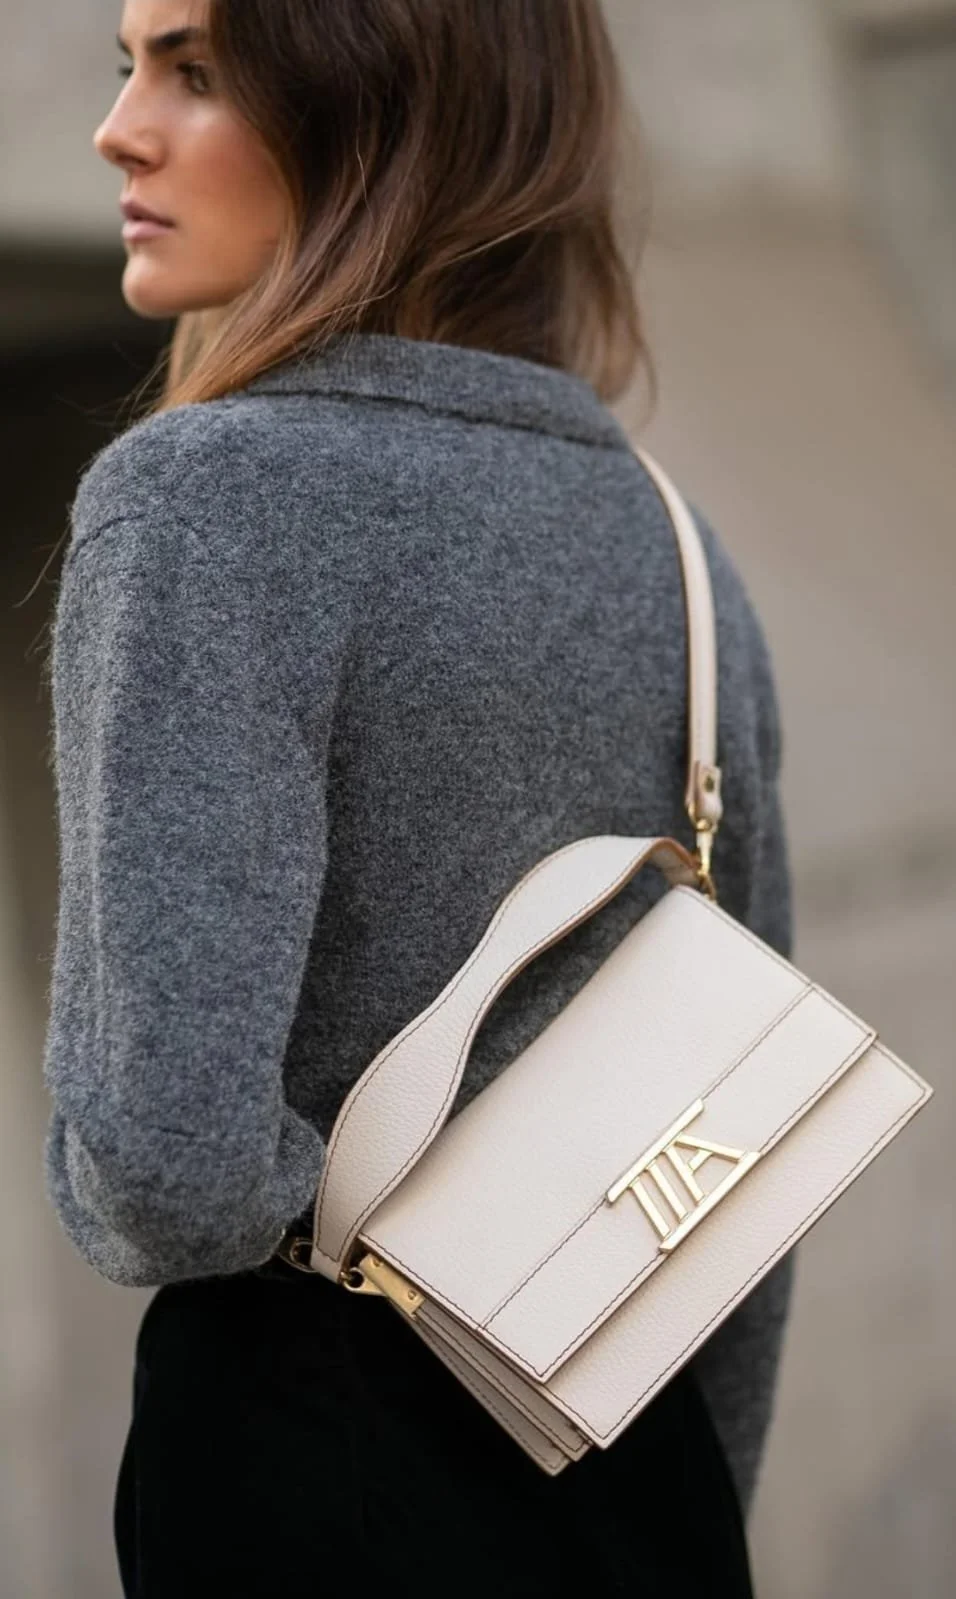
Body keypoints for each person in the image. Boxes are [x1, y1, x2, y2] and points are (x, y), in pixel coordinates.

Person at [42, 2, 795, 1593]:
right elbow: (741, 1158)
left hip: (322, 1450)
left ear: (373, 108)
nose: (121, 126)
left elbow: (164, 1162)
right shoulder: (674, 544)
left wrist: (346, 1267)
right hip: (632, 1454)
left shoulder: (201, 503)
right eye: (130, 67)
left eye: (196, 69)